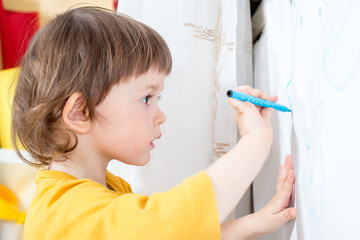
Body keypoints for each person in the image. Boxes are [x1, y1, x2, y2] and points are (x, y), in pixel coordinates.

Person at [11, 6, 296, 240]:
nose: (161, 115)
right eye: (147, 97)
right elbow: (171, 224)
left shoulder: (105, 187)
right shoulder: (65, 212)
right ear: (80, 113)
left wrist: (255, 223)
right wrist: (256, 141)